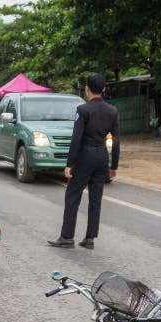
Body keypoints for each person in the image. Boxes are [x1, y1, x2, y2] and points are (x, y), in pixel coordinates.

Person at [48, 73, 120, 249]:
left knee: (73, 195)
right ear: (104, 89)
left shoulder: (83, 110)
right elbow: (116, 140)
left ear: (87, 89)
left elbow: (76, 138)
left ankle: (66, 237)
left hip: (85, 156)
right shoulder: (112, 111)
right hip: (102, 156)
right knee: (96, 198)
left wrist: (69, 164)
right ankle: (90, 238)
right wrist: (114, 165)